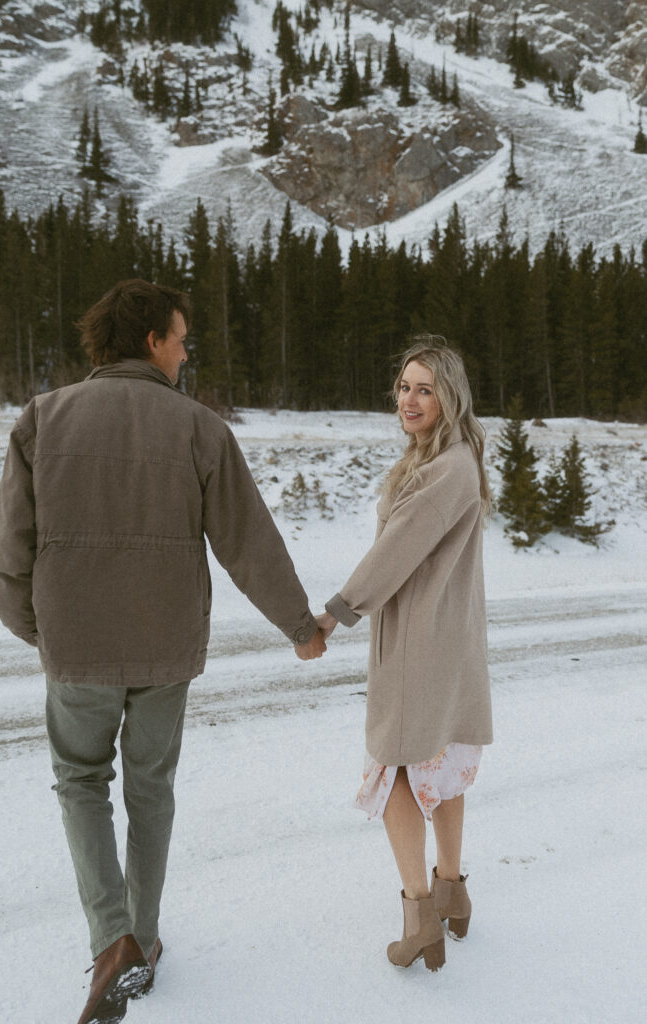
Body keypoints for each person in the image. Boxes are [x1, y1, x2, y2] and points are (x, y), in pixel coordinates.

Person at [0, 279, 326, 1024]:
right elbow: (248, 543)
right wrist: (300, 625)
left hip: (77, 647)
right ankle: (143, 937)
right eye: (180, 338)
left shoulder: (43, 419)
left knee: (80, 781)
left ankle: (112, 940)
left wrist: (40, 628)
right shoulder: (199, 429)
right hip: (165, 649)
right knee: (150, 789)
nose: (185, 351)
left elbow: (4, 552)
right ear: (149, 341)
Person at [316, 338, 492, 972]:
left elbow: (395, 555)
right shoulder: (455, 459)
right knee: (440, 766)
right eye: (403, 387)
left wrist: (335, 612)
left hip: (421, 644)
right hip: (446, 638)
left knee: (394, 769)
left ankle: (421, 916)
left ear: (450, 397)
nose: (410, 400)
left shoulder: (444, 468)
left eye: (425, 389)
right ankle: (453, 891)